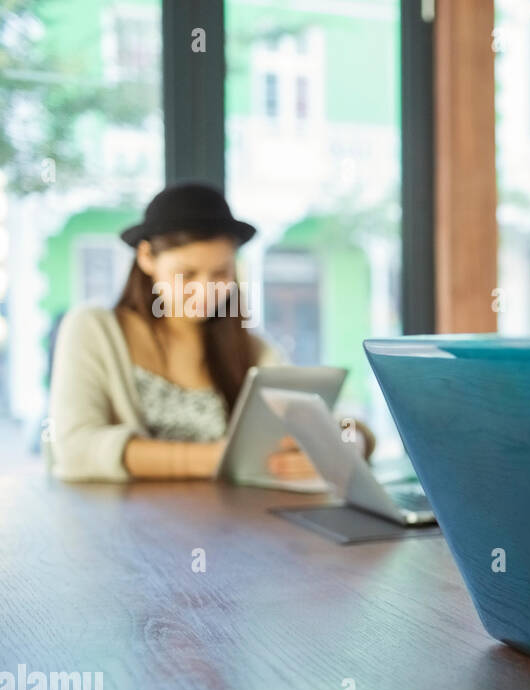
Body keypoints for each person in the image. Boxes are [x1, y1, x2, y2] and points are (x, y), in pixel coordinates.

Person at [49, 182, 369, 482]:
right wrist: (216, 459)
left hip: (225, 531)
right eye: (186, 274)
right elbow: (75, 449)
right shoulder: (94, 328)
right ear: (147, 258)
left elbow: (336, 421)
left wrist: (347, 445)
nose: (206, 291)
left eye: (220, 273)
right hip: (120, 532)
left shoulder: (253, 351)